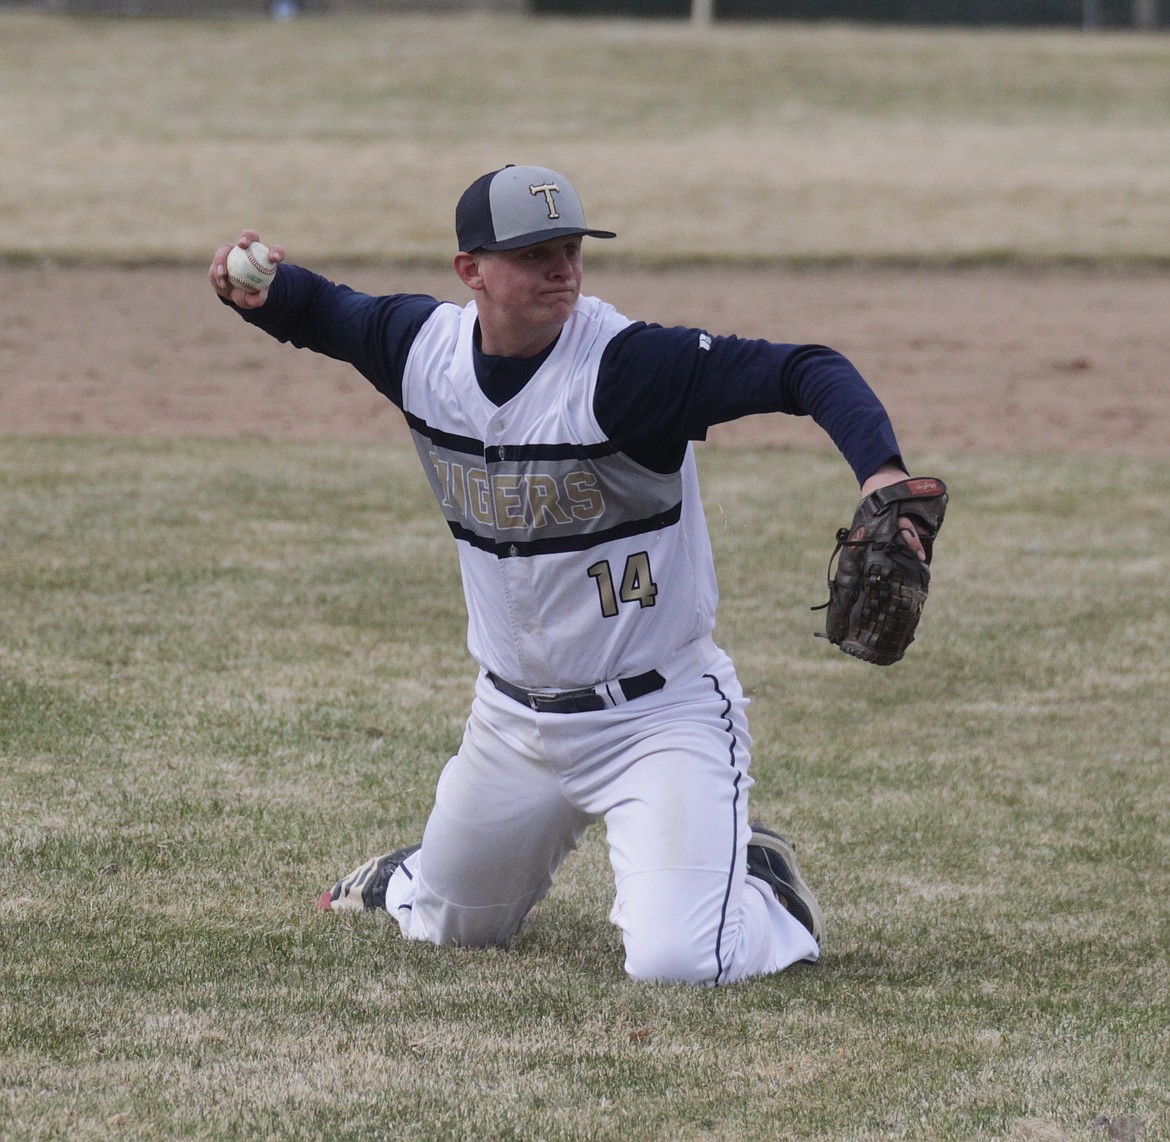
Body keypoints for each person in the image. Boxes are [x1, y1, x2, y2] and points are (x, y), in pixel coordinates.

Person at [208, 164, 927, 985]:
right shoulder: (420, 352)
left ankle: (763, 889)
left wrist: (881, 476)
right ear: (470, 271)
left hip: (658, 720)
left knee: (678, 964)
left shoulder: (627, 369)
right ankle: (415, 873)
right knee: (445, 930)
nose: (563, 268)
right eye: (534, 252)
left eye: (571, 247)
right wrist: (259, 293)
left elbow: (808, 369)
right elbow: (325, 312)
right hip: (512, 724)